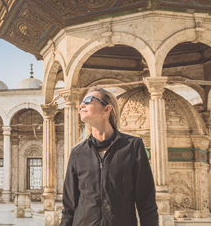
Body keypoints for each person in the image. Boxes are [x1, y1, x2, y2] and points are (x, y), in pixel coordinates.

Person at [60, 86, 158, 226]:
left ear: (107, 109)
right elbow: (69, 207)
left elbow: (146, 203)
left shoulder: (132, 147)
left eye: (88, 100)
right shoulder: (78, 153)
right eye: (82, 102)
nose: (82, 105)